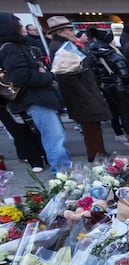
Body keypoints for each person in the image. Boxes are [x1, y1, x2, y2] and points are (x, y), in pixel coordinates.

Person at [0, 13, 71, 173]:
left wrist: (41, 71)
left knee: (54, 137)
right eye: (19, 26)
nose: (23, 30)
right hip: (35, 99)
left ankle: (63, 173)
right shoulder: (11, 48)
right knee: (54, 138)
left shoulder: (14, 46)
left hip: (35, 98)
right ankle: (62, 175)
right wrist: (47, 75)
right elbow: (21, 77)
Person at [47, 16, 112, 162]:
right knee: (90, 126)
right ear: (61, 31)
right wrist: (86, 94)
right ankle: (96, 155)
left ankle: (99, 152)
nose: (73, 32)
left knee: (93, 125)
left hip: (84, 91)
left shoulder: (64, 45)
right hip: (81, 94)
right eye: (70, 29)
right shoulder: (60, 47)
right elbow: (67, 75)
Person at [86, 27, 129, 144]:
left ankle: (118, 132)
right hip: (121, 88)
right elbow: (125, 75)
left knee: (113, 111)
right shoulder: (113, 55)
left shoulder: (92, 53)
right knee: (127, 114)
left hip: (106, 87)